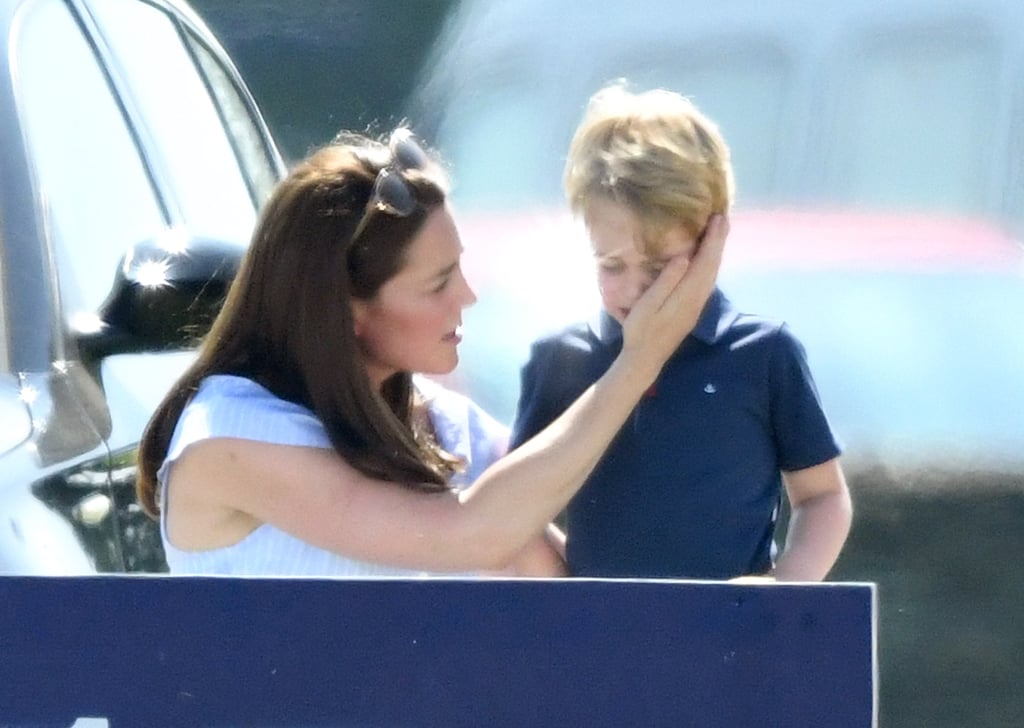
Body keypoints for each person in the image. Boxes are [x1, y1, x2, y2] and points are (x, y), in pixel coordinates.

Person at [135, 126, 728, 577]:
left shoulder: (442, 428)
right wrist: (638, 360)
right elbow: (471, 531)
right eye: (437, 283)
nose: (467, 296)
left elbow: (565, 574)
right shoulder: (227, 440)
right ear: (346, 310)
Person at [509, 83, 852, 581]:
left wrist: (781, 593)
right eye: (611, 265)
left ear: (712, 237)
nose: (635, 291)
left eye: (658, 268)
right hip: (598, 648)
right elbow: (510, 512)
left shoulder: (766, 355)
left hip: (735, 646)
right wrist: (572, 595)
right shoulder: (560, 360)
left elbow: (823, 496)